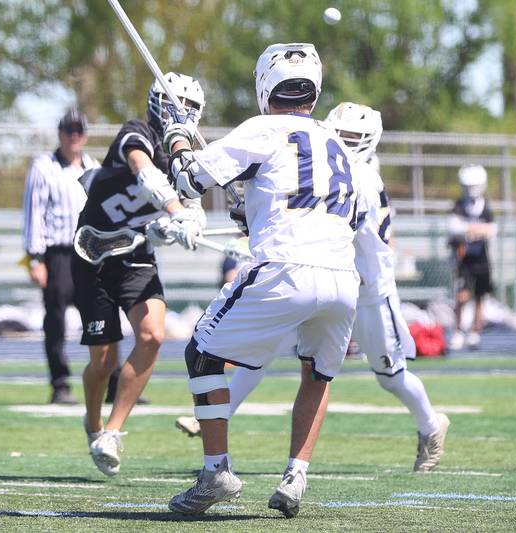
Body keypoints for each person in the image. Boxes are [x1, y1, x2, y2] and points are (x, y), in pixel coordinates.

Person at [176, 102, 451, 475]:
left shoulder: (363, 178)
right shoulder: (324, 162)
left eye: (353, 137)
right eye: (342, 135)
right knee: (262, 347)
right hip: (321, 275)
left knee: (390, 375)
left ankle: (431, 425)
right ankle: (221, 417)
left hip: (367, 288)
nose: (345, 142)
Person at [162, 43, 360, 518]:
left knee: (202, 353)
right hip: (342, 277)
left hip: (286, 269)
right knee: (318, 372)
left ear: (264, 84)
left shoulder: (263, 127)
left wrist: (177, 136)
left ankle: (216, 472)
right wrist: (249, 210)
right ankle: (296, 476)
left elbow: (188, 181)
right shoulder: (335, 141)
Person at [72, 72, 207, 476]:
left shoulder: (186, 161)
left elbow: (189, 206)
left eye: (190, 108)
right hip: (94, 250)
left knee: (152, 335)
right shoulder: (138, 133)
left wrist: (185, 223)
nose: (181, 114)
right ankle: (93, 423)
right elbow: (142, 168)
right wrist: (174, 211)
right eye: (175, 104)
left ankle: (113, 432)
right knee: (104, 359)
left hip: (135, 255)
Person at [22, 108, 100, 404]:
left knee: (100, 317)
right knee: (56, 320)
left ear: (85, 134)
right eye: (69, 130)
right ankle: (60, 383)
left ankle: (111, 379)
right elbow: (34, 212)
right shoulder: (44, 166)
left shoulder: (92, 166)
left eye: (78, 130)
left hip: (89, 251)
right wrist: (35, 258)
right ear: (60, 133)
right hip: (57, 254)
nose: (74, 136)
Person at [447, 165, 496, 350]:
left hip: (481, 259)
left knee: (480, 297)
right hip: (464, 259)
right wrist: (475, 230)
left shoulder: (485, 206)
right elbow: (454, 227)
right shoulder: (460, 205)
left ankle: (475, 332)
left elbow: (491, 230)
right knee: (461, 296)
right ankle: (458, 331)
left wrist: (469, 229)